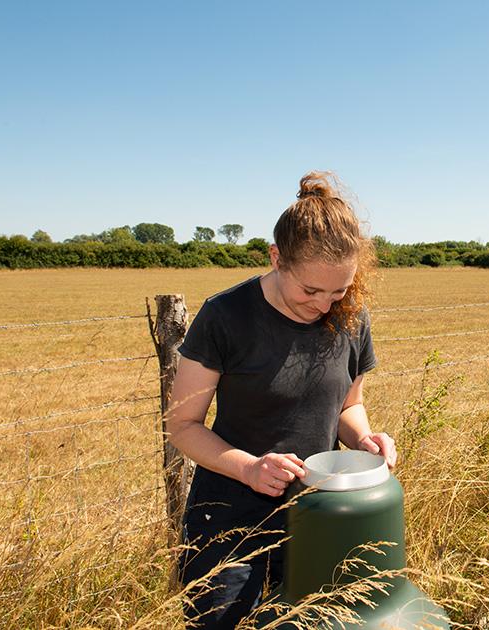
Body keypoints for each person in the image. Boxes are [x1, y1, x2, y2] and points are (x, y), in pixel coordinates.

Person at [165, 171, 396, 629]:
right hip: (230, 517)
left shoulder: (351, 317)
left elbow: (348, 406)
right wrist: (250, 468)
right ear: (276, 258)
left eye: (339, 290)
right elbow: (182, 425)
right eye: (310, 290)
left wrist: (365, 440)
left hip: (322, 512)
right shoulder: (225, 316)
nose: (325, 305)